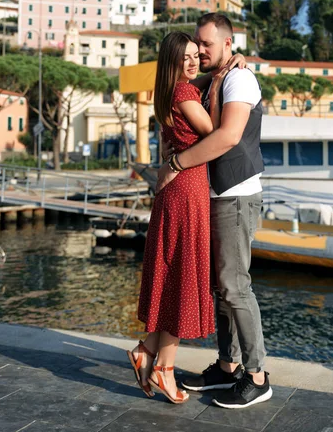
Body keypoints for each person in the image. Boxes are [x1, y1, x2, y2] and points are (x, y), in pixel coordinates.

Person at [156, 13, 272, 410]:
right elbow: (188, 89)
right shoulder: (217, 78)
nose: (200, 51)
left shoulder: (241, 78)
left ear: (227, 43)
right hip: (214, 196)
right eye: (196, 45)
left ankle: (257, 376)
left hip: (236, 195)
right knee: (222, 287)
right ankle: (227, 366)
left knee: (235, 287)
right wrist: (214, 74)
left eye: (206, 45)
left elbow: (227, 135)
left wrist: (175, 164)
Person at [127, 31, 230, 405]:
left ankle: (145, 351)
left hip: (178, 190)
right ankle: (163, 368)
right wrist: (218, 83)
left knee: (173, 274)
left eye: (195, 55)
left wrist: (208, 78)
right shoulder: (185, 94)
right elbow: (214, 132)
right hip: (187, 188)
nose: (193, 61)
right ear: (172, 61)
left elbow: (189, 89)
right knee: (183, 277)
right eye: (185, 57)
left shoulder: (170, 91)